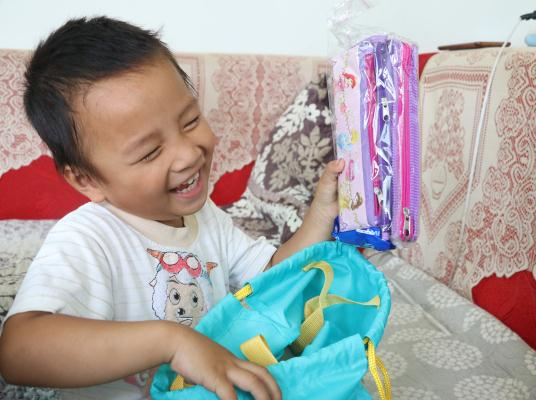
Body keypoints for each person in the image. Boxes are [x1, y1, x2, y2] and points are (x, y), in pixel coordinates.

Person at [0, 16, 343, 400]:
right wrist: (171, 342)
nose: (188, 154)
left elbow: (274, 279)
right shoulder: (87, 238)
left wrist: (320, 215)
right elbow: (18, 351)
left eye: (191, 120)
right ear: (86, 180)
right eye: (150, 152)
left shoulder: (205, 217)